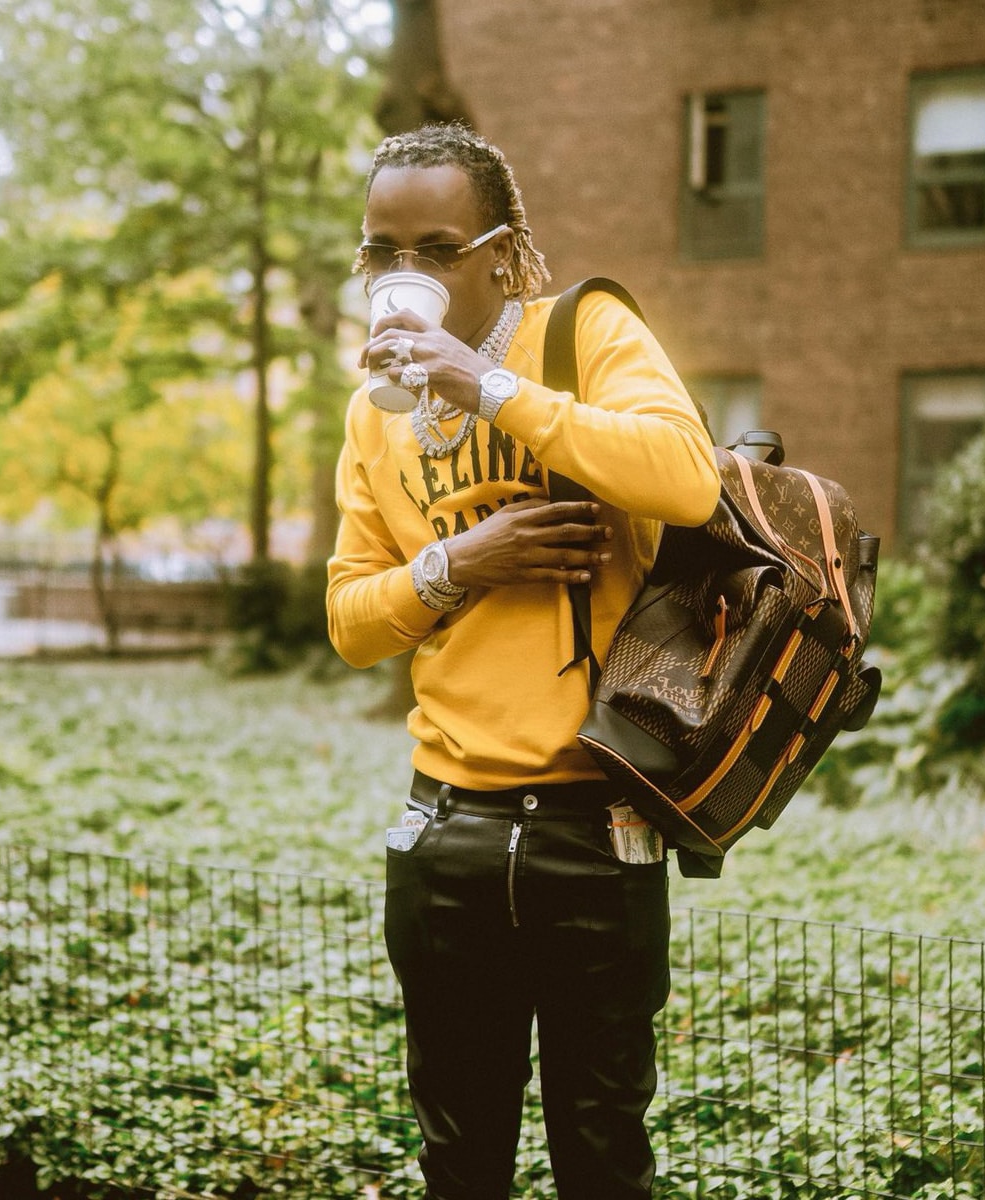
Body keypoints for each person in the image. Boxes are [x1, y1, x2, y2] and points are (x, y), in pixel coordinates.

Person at [326, 123, 720, 1200]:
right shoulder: (374, 415)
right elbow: (352, 619)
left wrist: (487, 385)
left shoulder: (582, 331)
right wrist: (462, 563)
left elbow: (686, 478)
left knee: (602, 1160)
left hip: (598, 832)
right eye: (381, 252)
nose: (406, 275)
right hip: (444, 831)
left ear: (501, 252)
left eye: (437, 249)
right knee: (459, 1163)